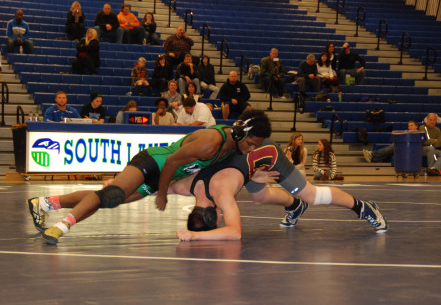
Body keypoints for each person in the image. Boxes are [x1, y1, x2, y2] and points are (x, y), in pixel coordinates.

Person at [27, 110, 272, 244]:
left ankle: (45, 204)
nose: (251, 149)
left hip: (162, 176)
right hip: (153, 162)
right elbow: (173, 161)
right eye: (251, 144)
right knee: (112, 196)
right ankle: (62, 226)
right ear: (242, 134)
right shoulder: (212, 143)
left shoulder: (230, 147)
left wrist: (253, 175)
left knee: (110, 197)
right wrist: (163, 193)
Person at [170, 139, 388, 241]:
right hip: (244, 163)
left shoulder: (222, 195)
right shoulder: (185, 186)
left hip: (266, 154)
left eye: (218, 219)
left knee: (312, 195)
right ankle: (295, 206)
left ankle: (364, 207)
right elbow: (156, 188)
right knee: (259, 196)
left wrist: (195, 237)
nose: (221, 216)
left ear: (213, 215)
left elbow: (234, 233)